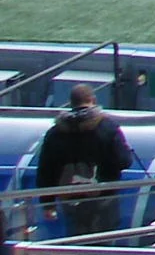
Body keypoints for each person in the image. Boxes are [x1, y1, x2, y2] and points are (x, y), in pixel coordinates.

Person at [38, 84, 133, 237]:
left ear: (71, 103)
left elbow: (46, 170)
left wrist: (47, 203)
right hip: (103, 197)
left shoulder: (55, 132)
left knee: (75, 236)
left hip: (70, 198)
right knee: (104, 238)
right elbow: (124, 161)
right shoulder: (108, 127)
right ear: (93, 100)